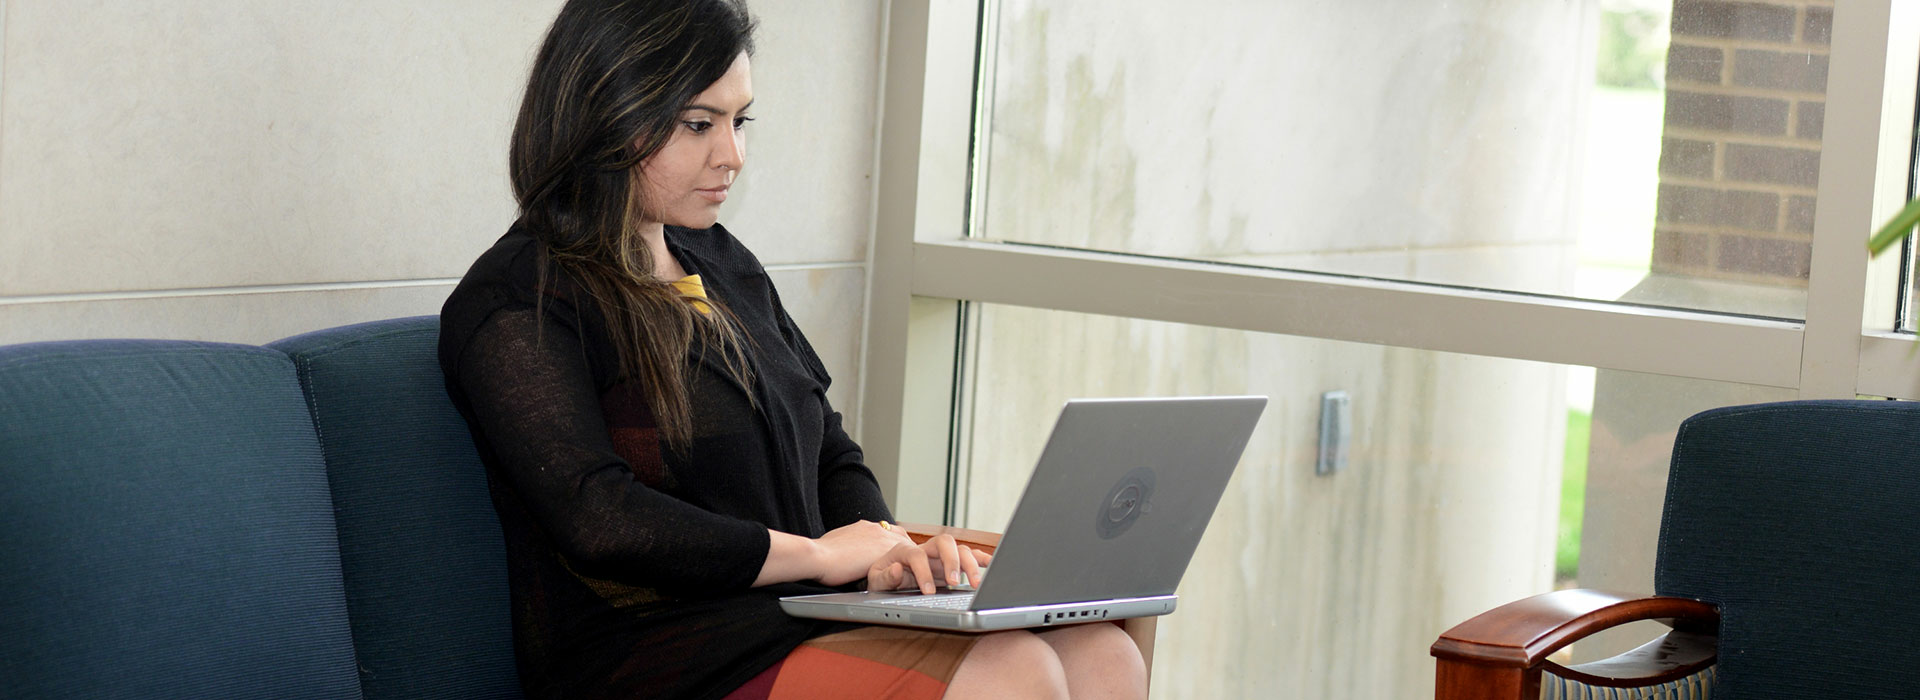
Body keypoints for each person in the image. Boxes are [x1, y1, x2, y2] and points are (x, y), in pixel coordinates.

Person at [439, 1, 1146, 698]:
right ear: (606, 115)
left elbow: (828, 449)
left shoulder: (719, 262)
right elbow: (602, 518)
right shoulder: (519, 298)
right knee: (1015, 670)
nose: (733, 155)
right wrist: (821, 555)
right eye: (698, 124)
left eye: (739, 121)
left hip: (796, 613)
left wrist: (883, 551)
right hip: (657, 652)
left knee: (1101, 650)